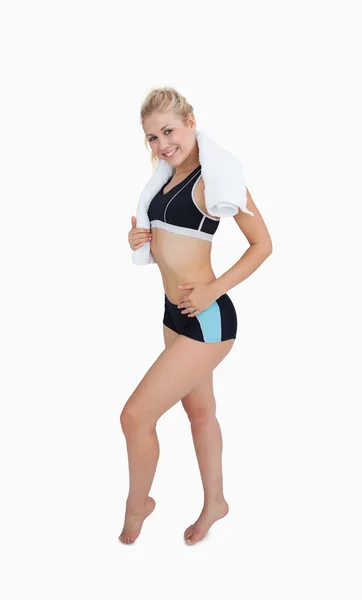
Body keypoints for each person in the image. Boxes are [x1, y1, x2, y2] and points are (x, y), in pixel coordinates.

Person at [119, 87, 272, 545]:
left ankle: (137, 506)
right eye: (152, 137)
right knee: (200, 412)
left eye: (169, 130)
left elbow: (262, 244)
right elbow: (167, 240)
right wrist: (142, 241)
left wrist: (213, 288)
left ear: (190, 122)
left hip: (208, 320)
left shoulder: (217, 179)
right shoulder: (165, 179)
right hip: (173, 314)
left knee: (134, 417)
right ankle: (216, 503)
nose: (163, 144)